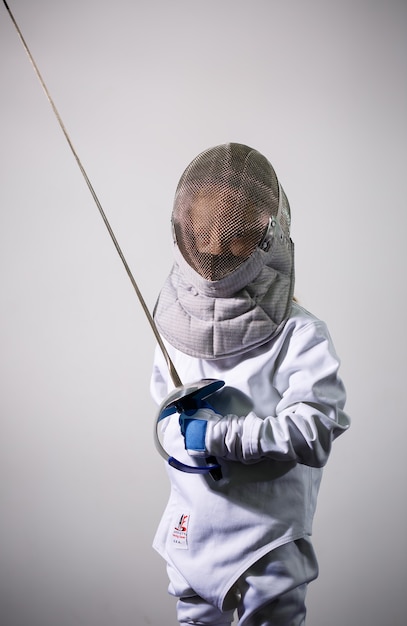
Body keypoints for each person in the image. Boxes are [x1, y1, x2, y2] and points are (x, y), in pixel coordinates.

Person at [150, 143, 350, 626]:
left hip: (265, 548)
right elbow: (165, 424)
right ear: (185, 231)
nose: (216, 245)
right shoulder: (173, 330)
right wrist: (178, 430)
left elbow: (316, 428)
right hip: (190, 540)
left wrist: (221, 435)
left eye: (232, 230)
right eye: (204, 229)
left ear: (264, 233)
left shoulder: (300, 333)